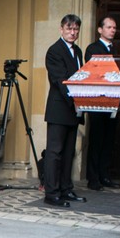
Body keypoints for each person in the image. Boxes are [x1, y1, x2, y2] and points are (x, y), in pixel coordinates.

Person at [42, 14, 86, 208]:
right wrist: (75, 99)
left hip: (74, 109)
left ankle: (66, 189)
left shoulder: (78, 51)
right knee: (55, 152)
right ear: (61, 29)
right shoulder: (54, 51)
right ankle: (51, 193)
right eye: (69, 28)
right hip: (60, 108)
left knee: (69, 152)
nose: (72, 32)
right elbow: (59, 80)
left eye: (76, 29)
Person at [84, 16, 120, 191]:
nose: (112, 30)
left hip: (114, 100)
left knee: (109, 140)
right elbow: (95, 72)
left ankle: (104, 176)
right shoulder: (93, 48)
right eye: (109, 27)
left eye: (114, 27)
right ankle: (93, 178)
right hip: (98, 100)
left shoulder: (117, 49)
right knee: (97, 139)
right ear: (100, 30)